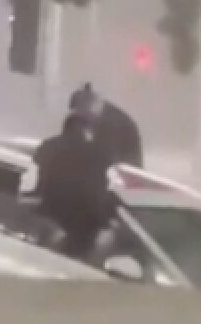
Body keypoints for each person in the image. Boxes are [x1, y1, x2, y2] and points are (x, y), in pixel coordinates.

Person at [32, 114, 116, 262]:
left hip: (52, 223)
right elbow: (96, 192)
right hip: (78, 228)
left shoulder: (50, 147)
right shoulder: (95, 155)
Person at [70, 83, 144, 169]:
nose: (80, 116)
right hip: (125, 170)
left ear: (86, 106)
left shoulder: (111, 122)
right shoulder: (105, 116)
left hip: (125, 172)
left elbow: (105, 156)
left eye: (79, 111)